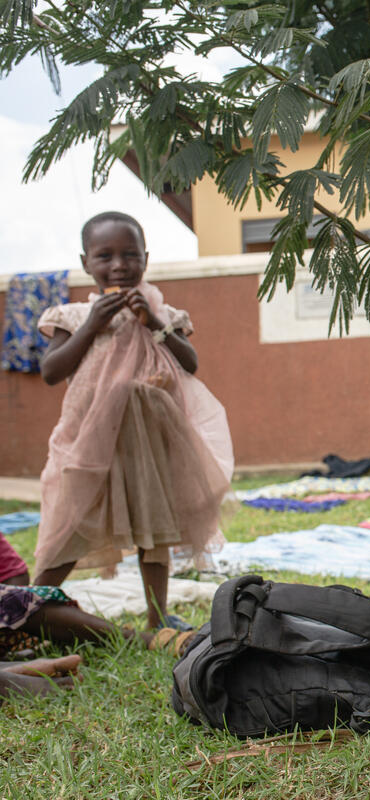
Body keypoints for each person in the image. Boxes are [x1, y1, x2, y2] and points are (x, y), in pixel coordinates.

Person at [32, 211, 233, 630]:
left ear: (146, 257)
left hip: (149, 445)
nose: (119, 265)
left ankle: (157, 619)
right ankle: (26, 612)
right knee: (71, 521)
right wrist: (93, 324)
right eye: (105, 256)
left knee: (152, 528)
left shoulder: (163, 313)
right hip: (89, 444)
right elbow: (52, 371)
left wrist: (155, 323)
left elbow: (189, 364)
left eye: (130, 254)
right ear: (86, 263)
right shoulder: (70, 317)